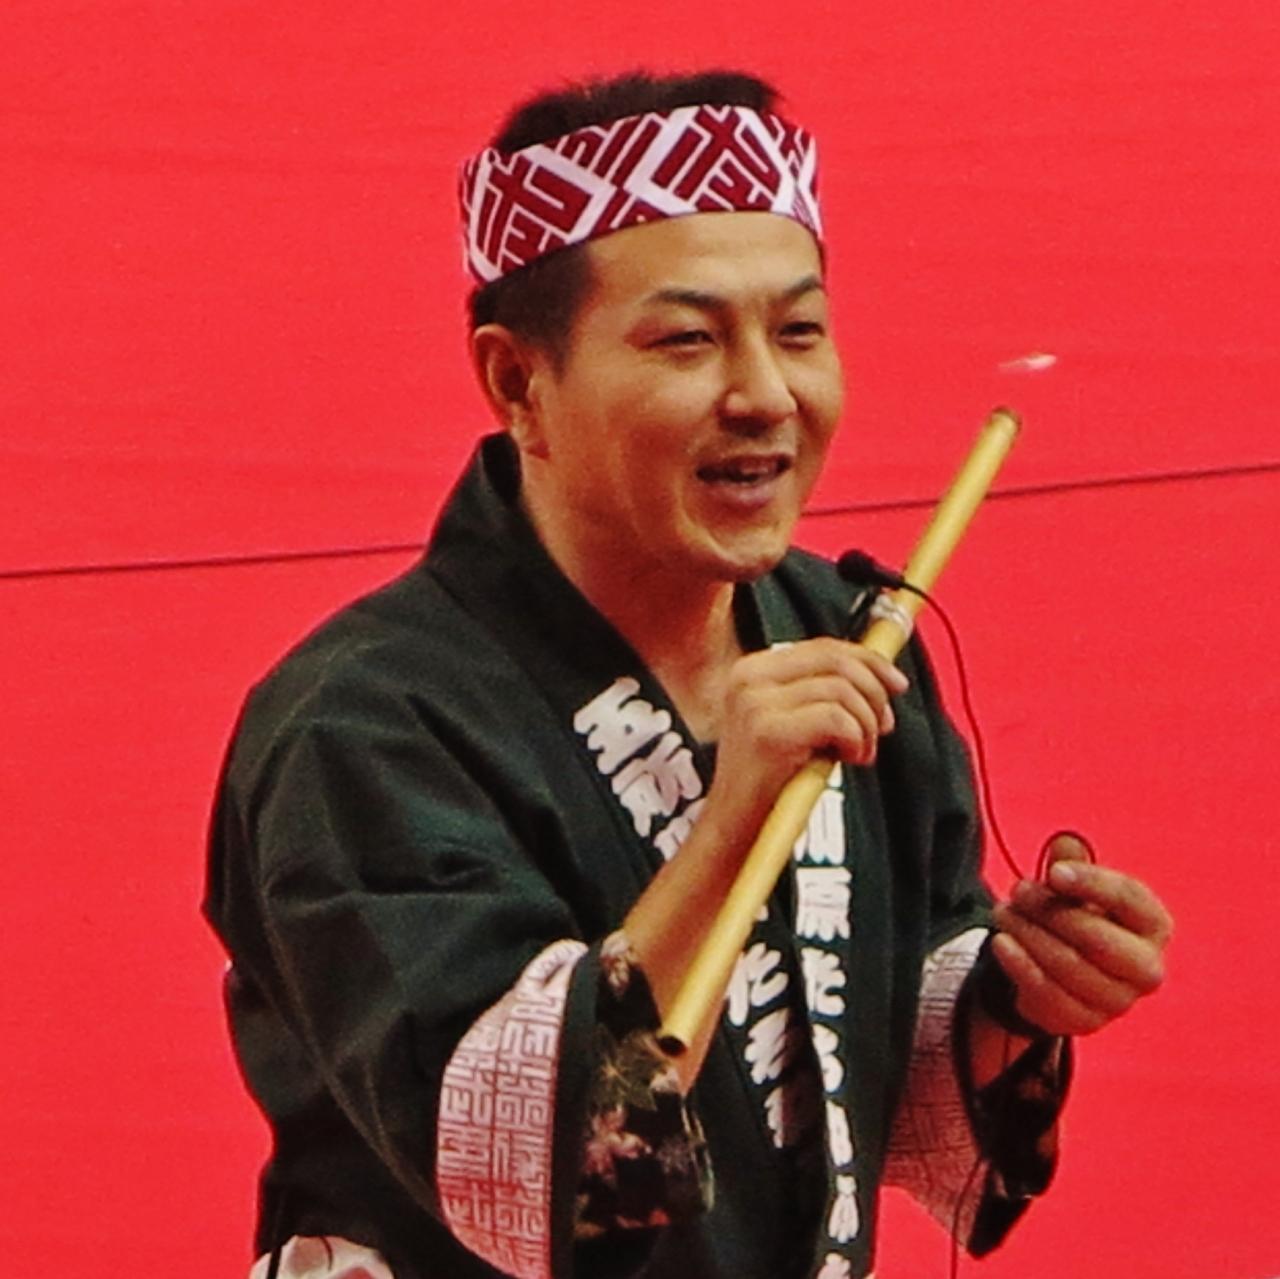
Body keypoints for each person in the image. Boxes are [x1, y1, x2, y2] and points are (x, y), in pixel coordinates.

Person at [205, 70, 1173, 1279]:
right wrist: (726, 828)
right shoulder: (362, 722)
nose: (764, 395)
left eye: (799, 332)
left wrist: (1016, 995)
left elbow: (870, 1060)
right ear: (516, 382)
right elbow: (537, 1175)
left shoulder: (840, 632)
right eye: (687, 340)